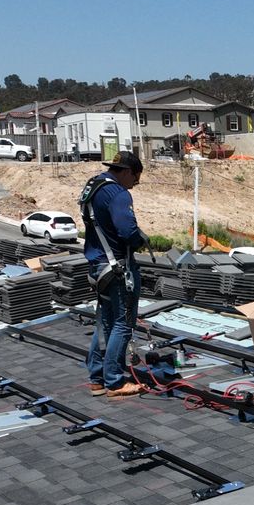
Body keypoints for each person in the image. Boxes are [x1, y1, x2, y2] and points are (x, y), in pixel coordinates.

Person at [78, 149, 146, 395]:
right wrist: (139, 239)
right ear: (127, 172)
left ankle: (97, 377)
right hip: (117, 267)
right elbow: (128, 232)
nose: (135, 184)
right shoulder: (118, 193)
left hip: (97, 264)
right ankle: (115, 381)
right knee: (122, 323)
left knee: (105, 321)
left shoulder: (93, 186)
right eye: (135, 178)